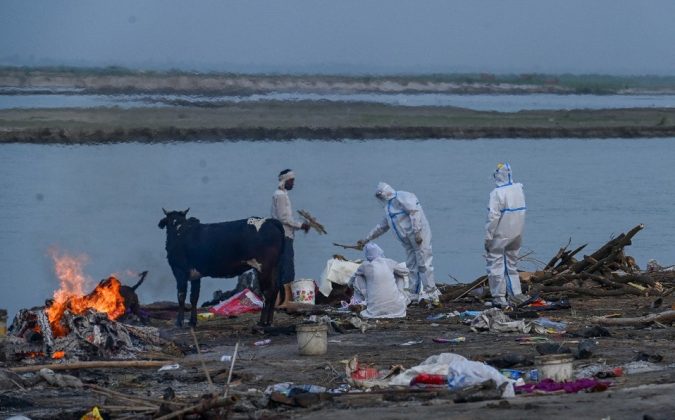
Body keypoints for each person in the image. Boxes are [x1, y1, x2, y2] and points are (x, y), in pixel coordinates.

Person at [357, 182, 440, 305]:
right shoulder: (389, 208)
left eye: (381, 196)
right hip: (408, 241)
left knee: (424, 263)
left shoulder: (403, 197)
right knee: (412, 265)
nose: (381, 199)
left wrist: (417, 233)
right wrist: (366, 239)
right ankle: (413, 293)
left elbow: (414, 212)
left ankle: (431, 293)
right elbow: (382, 227)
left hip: (419, 237)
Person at [485, 163, 528, 308]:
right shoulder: (518, 189)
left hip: (501, 233)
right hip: (517, 232)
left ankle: (499, 297)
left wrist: (488, 237)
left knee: (496, 264)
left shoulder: (497, 193)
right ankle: (516, 293)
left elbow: (493, 218)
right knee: (511, 263)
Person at [271, 169, 309, 304]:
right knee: (287, 269)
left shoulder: (282, 194)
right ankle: (285, 301)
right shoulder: (280, 195)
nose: (293, 183)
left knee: (282, 268)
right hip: (283, 236)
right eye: (291, 181)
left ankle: (280, 300)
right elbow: (284, 218)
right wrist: (301, 225)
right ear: (285, 181)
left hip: (283, 235)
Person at [350, 243, 409, 318]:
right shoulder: (389, 262)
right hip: (396, 309)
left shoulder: (364, 266)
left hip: (375, 309)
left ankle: (363, 301)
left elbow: (353, 277)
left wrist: (349, 286)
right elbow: (406, 272)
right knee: (400, 274)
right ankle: (399, 297)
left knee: (358, 277)